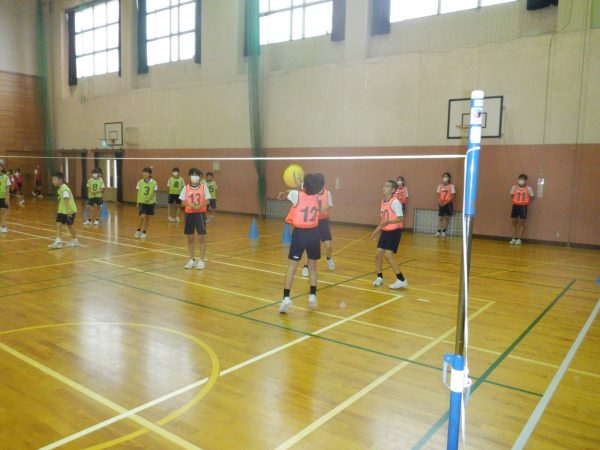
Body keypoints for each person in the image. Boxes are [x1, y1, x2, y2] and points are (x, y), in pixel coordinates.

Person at [277, 173, 324, 314]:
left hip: (300, 234)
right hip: (314, 233)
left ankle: (286, 298)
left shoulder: (296, 195)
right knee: (312, 267)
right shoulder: (317, 196)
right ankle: (312, 295)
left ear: (304, 186)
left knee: (292, 266)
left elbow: (286, 193)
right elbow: (308, 187)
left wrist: (283, 193)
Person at [371, 180, 408, 289]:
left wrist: (388, 222)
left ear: (393, 190)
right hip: (385, 231)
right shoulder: (382, 201)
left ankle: (401, 280)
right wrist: (377, 230)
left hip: (394, 231)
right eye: (384, 185)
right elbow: (383, 220)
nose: (384, 187)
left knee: (388, 255)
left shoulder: (395, 202)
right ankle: (379, 277)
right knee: (378, 255)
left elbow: (401, 218)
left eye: (387, 186)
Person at [302, 174, 334, 276]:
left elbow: (330, 205)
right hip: (313, 222)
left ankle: (329, 258)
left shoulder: (327, 193)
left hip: (323, 222)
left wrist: (325, 208)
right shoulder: (311, 191)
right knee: (309, 245)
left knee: (328, 246)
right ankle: (305, 266)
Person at [181, 168, 211, 269]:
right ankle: (192, 259)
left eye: (196, 175)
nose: (194, 177)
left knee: (201, 238)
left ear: (200, 177)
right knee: (190, 238)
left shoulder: (203, 187)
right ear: (189, 176)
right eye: (192, 175)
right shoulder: (186, 188)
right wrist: (190, 204)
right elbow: (182, 202)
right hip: (189, 214)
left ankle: (201, 260)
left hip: (200, 214)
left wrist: (199, 206)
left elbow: (207, 201)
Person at [48, 172, 79, 249]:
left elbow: (66, 199)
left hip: (69, 211)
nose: (53, 181)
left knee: (70, 226)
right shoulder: (60, 188)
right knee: (58, 225)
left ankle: (75, 241)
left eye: (55, 179)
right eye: (52, 180)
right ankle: (58, 242)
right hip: (61, 210)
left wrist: (68, 211)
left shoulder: (64, 189)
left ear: (60, 180)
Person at [509, 173, 535, 245]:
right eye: (520, 179)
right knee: (514, 222)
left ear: (525, 181)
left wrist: (524, 201)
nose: (521, 180)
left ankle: (519, 239)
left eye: (523, 179)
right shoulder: (514, 187)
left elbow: (532, 196)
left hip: (523, 207)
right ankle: (513, 238)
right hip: (515, 206)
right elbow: (511, 195)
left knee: (522, 223)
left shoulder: (529, 188)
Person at [135, 167, 157, 239]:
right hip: (142, 202)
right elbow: (138, 192)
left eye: (146, 172)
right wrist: (137, 202)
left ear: (150, 174)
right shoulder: (140, 182)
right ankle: (138, 230)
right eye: (144, 172)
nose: (144, 173)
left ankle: (144, 232)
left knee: (147, 218)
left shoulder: (154, 183)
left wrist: (149, 199)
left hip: (150, 203)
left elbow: (154, 193)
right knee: (142, 216)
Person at [435, 172, 455, 237]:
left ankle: (444, 231)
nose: (445, 178)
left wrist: (446, 202)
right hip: (441, 203)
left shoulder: (451, 186)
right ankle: (438, 231)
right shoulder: (440, 186)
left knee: (446, 218)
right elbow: (438, 195)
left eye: (446, 177)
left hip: (448, 203)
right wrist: (440, 202)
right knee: (441, 218)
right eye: (444, 177)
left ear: (449, 178)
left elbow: (452, 196)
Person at [0, 164, 11, 233]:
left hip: (3, 197)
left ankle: (4, 227)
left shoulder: (6, 177)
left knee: (3, 212)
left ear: (2, 168)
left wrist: (7, 198)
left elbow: (7, 188)